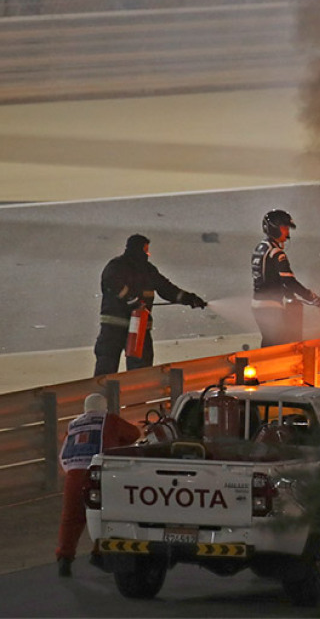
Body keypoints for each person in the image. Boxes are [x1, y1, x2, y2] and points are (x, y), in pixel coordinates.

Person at [93, 234, 208, 376]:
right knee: (107, 366)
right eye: (146, 249)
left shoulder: (148, 270)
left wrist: (190, 299)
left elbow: (167, 289)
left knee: (140, 371)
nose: (148, 253)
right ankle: (100, 397)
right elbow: (112, 283)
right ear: (138, 248)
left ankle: (136, 397)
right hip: (115, 328)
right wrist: (132, 301)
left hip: (139, 328)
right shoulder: (117, 266)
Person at [55, 393, 142, 577]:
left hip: (73, 474)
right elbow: (134, 433)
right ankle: (99, 553)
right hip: (98, 474)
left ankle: (65, 558)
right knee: (106, 512)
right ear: (105, 408)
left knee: (71, 517)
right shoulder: (109, 420)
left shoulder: (74, 424)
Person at [251, 209, 320, 347]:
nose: (287, 232)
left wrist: (290, 295)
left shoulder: (261, 248)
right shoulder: (276, 252)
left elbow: (271, 278)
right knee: (279, 347)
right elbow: (289, 281)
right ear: (274, 228)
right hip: (271, 307)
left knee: (269, 344)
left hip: (259, 305)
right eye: (284, 228)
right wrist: (312, 297)